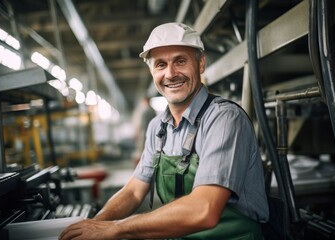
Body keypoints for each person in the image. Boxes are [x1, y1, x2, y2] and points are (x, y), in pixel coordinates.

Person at [59, 22, 269, 240]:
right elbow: (133, 191)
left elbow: (204, 210)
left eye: (180, 61)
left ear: (201, 64)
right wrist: (96, 224)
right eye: (160, 64)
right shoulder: (157, 128)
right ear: (152, 71)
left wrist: (117, 228)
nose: (170, 74)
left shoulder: (223, 119)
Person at [132, 95, 156, 167]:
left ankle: (142, 166)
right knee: (151, 151)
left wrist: (137, 134)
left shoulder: (145, 111)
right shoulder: (153, 111)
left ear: (145, 101)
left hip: (144, 135)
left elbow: (141, 125)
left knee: (142, 151)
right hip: (153, 135)